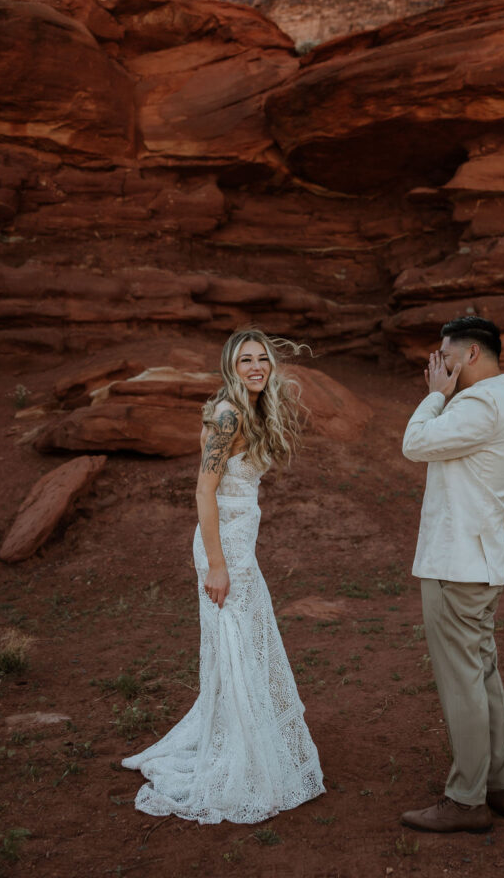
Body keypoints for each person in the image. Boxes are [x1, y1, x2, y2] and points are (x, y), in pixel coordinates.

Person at [122, 329, 325, 824]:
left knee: (244, 646)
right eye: (245, 360)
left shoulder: (251, 410)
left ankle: (250, 743)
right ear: (230, 368)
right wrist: (216, 563)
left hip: (239, 545)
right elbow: (204, 493)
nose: (256, 367)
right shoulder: (228, 414)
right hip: (223, 549)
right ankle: (244, 759)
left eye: (261, 359)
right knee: (237, 647)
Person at [400, 316, 504, 834]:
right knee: (483, 674)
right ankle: (498, 785)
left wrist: (435, 396)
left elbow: (415, 443)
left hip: (458, 568)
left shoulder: (478, 405)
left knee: (463, 684)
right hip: (481, 562)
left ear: (471, 354)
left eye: (445, 358)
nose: (440, 369)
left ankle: (465, 800)